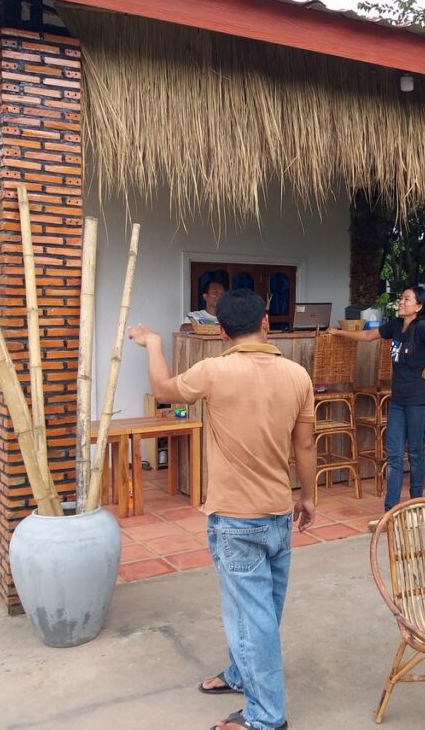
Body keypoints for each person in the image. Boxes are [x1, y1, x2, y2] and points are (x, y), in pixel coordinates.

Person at [128, 289, 316, 730]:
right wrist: (308, 497)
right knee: (256, 611)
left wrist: (153, 344)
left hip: (236, 521)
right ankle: (239, 673)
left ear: (222, 331)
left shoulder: (214, 370)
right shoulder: (297, 374)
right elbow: (305, 445)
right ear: (266, 323)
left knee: (252, 616)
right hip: (277, 515)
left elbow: (162, 390)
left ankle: (267, 717)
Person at [329, 287, 425, 515]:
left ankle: (416, 506)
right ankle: (391, 510)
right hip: (398, 400)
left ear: (418, 307)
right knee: (393, 454)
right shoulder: (395, 325)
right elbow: (368, 336)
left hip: (419, 400)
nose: (401, 302)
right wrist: (339, 333)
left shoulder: (422, 328)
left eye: (407, 299)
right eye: (402, 298)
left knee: (415, 453)